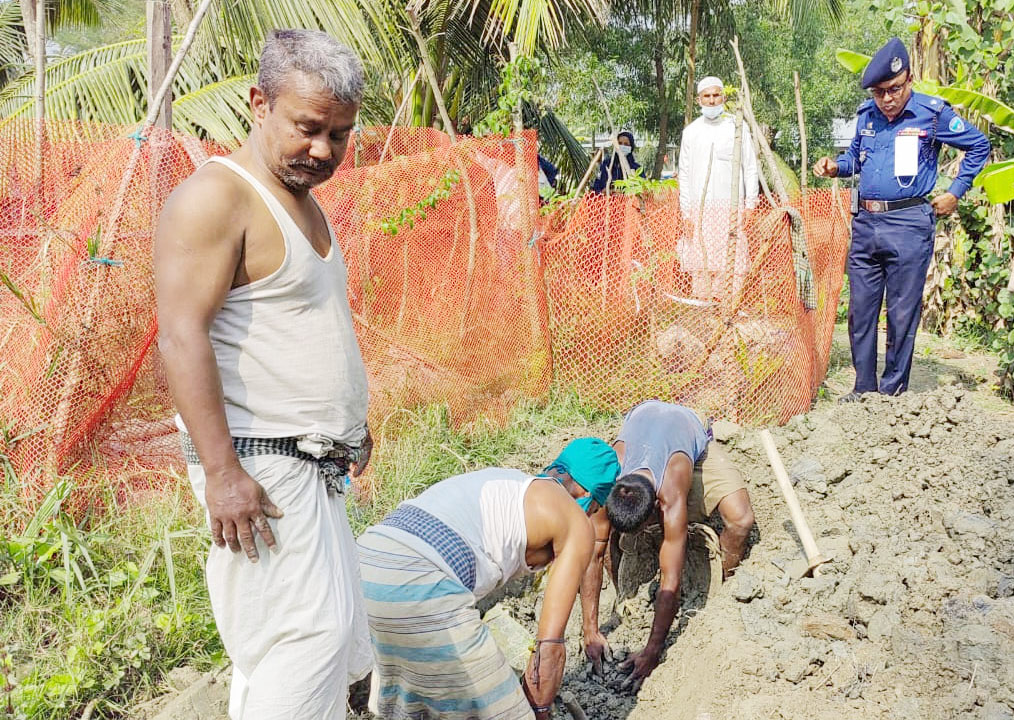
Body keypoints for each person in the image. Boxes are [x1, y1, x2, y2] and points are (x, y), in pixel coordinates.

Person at [154, 29, 371, 719]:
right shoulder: (218, 198)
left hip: (308, 466)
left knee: (308, 650)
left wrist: (349, 426)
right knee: (307, 645)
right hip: (259, 467)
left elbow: (298, 328)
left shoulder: (300, 202)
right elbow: (180, 335)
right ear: (258, 103)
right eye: (309, 128)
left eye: (339, 135)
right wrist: (221, 474)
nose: (324, 150)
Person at [357, 438, 621, 720]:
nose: (590, 516)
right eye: (594, 509)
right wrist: (540, 711)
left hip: (363, 564)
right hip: (422, 581)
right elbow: (549, 648)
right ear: (588, 493)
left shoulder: (507, 482)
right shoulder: (574, 521)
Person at [813, 38, 991, 400]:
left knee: (901, 313)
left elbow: (978, 146)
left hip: (909, 223)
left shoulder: (933, 113)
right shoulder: (867, 116)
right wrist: (835, 166)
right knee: (860, 311)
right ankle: (863, 388)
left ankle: (892, 392)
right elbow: (855, 161)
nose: (887, 99)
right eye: (879, 92)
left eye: (894, 89)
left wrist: (956, 191)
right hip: (865, 223)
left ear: (909, 79)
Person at [580, 400, 754, 689]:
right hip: (643, 420)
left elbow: (669, 579)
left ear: (657, 509)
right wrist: (590, 630)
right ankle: (623, 593)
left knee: (741, 519)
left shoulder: (672, 489)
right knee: (599, 535)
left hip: (688, 436)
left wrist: (652, 651)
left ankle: (714, 592)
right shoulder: (609, 476)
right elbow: (593, 555)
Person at [676, 76, 760, 300]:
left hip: (731, 210)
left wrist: (750, 205)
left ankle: (728, 315)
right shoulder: (691, 132)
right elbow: (683, 174)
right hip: (700, 211)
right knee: (703, 264)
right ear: (699, 99)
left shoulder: (736, 127)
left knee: (732, 262)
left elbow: (750, 167)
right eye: (707, 96)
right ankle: (705, 317)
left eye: (716, 95)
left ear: (723, 97)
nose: (712, 101)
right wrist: (687, 213)